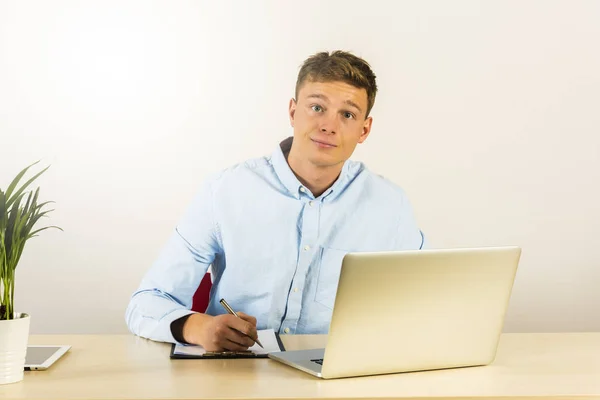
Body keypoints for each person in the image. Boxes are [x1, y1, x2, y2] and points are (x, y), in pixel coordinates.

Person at [125, 50, 426, 352]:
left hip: (337, 374)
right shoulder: (226, 191)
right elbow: (146, 303)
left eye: (347, 114)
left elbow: (427, 306)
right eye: (317, 107)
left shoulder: (390, 206)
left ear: (364, 129)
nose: (328, 126)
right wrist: (198, 327)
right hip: (235, 373)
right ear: (293, 112)